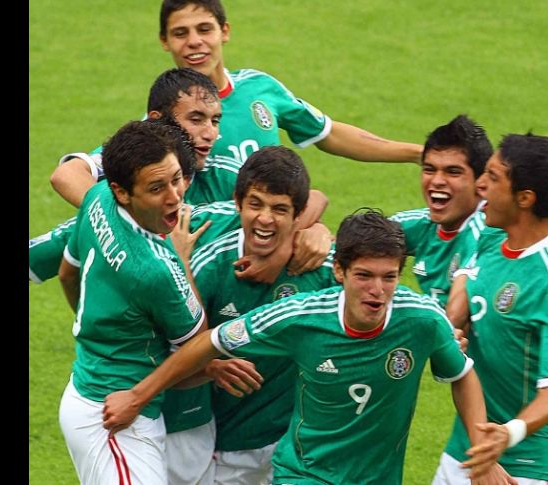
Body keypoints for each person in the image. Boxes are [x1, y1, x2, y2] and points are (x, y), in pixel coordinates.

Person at [101, 209, 509, 485]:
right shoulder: (299, 317)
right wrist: (138, 396)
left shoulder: (421, 319)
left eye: (389, 277)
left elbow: (462, 373)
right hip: (305, 473)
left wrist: (481, 448)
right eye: (364, 275)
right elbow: (212, 342)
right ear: (339, 271)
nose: (377, 290)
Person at [49, 0, 422, 210]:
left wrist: (418, 154)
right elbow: (72, 174)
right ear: (165, 41)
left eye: (204, 29)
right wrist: (119, 222)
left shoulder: (262, 88)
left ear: (224, 31)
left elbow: (330, 133)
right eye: (181, 33)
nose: (195, 42)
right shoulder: (157, 129)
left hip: (277, 241)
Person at [30, 67, 331, 284]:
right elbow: (65, 176)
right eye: (196, 119)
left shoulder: (221, 174)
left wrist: (291, 241)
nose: (210, 133)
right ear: (156, 122)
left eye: (215, 121)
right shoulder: (131, 169)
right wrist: (128, 222)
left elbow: (310, 198)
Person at [57, 120, 207, 484]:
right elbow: (200, 349)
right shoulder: (155, 270)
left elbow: (66, 272)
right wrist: (183, 261)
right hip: (115, 420)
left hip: (88, 386)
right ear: (123, 192)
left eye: (176, 178)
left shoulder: (97, 200)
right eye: (157, 188)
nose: (174, 196)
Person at [433, 133, 548, 485]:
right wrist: (450, 333)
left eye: (493, 177)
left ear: (525, 198)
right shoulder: (490, 235)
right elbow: (462, 298)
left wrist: (506, 436)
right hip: (472, 438)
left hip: (530, 456)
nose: (481, 185)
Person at [180, 146, 338, 484]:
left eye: (280, 209)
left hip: (298, 447)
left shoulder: (320, 265)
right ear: (238, 203)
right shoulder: (210, 261)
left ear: (299, 215)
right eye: (256, 205)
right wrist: (208, 366)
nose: (265, 218)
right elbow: (175, 348)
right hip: (228, 446)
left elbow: (372, 285)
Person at [391, 114, 504, 307]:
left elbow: (458, 313)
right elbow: (355, 245)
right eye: (429, 169)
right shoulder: (422, 224)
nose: (437, 181)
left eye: (453, 172)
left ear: (481, 182)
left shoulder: (486, 236)